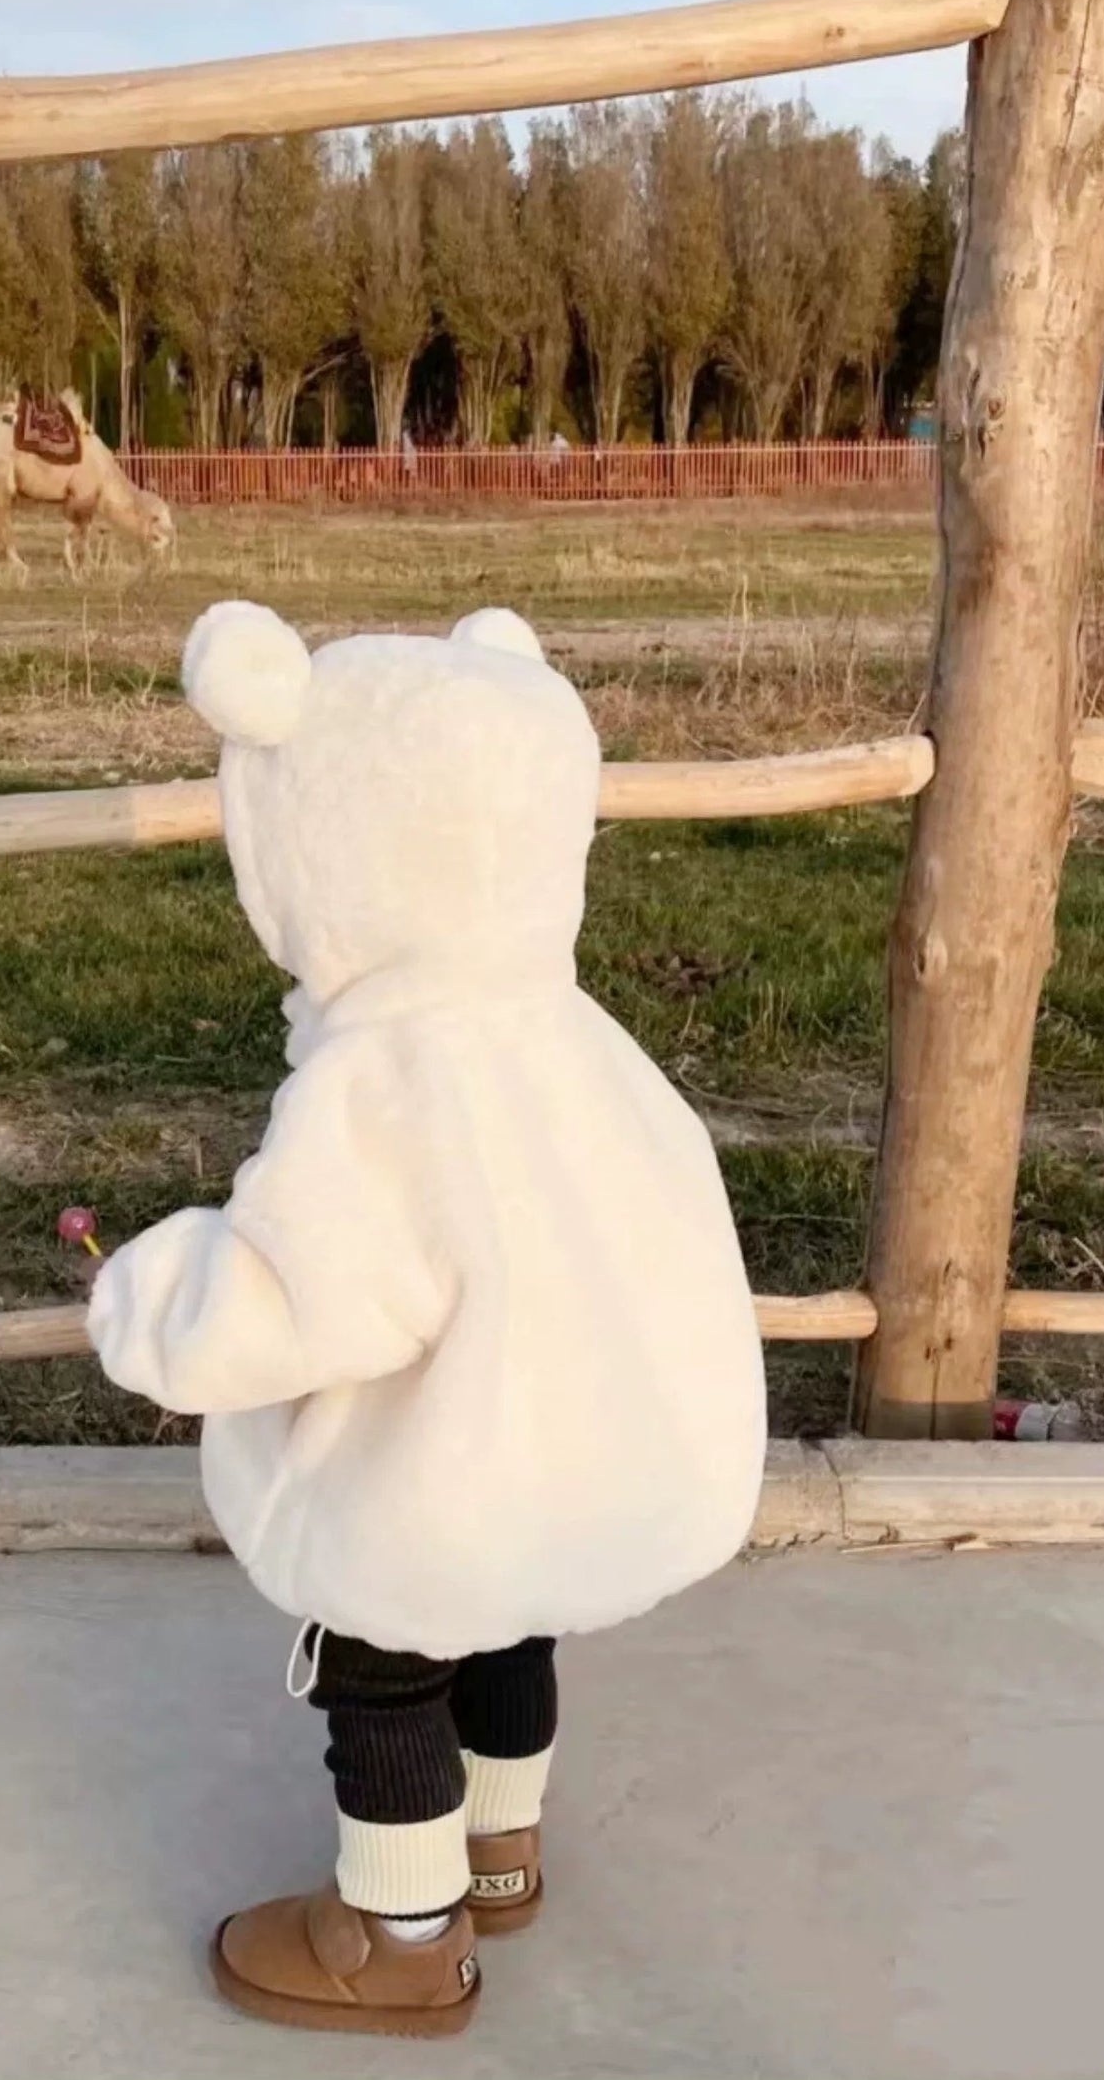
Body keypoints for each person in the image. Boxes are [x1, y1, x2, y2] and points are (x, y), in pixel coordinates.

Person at [88, 601, 766, 2037]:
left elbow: (301, 1294)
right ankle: (502, 1846)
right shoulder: (582, 1041)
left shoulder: (382, 1084)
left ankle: (398, 1929)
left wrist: (151, 1303)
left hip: (436, 1488)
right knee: (514, 1632)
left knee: (384, 1666)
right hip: (575, 1468)